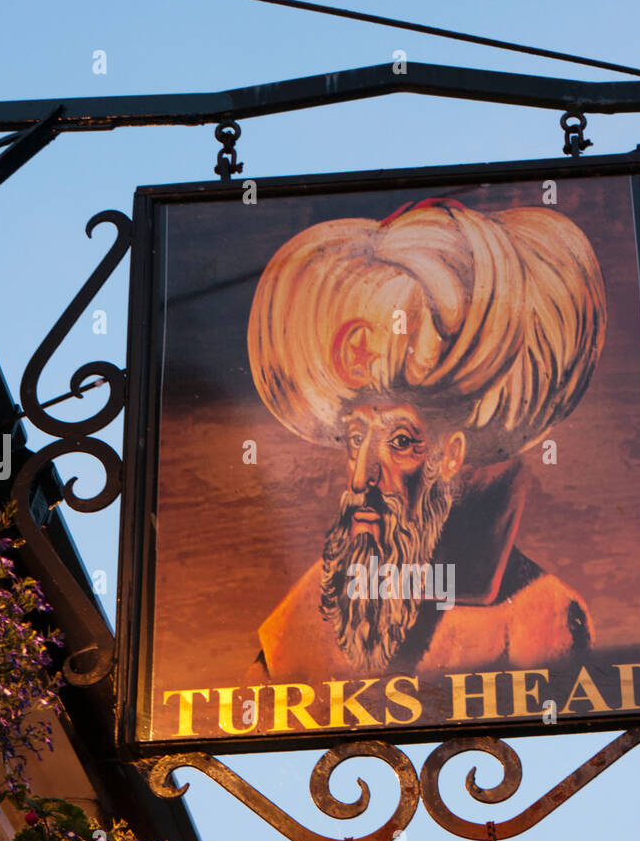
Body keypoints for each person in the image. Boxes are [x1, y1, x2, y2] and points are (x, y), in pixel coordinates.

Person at [246, 196, 606, 681]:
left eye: (399, 442)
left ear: (451, 454)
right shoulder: (293, 633)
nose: (361, 478)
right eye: (356, 438)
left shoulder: (547, 618)